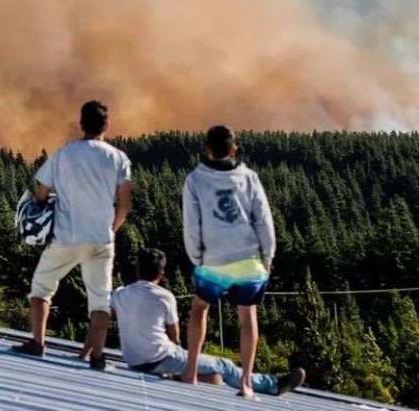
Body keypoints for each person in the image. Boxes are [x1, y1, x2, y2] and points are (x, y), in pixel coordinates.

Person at [11, 100, 132, 370]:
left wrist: (42, 210)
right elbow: (124, 202)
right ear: (107, 126)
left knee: (41, 288)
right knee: (100, 299)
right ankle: (98, 358)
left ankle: (38, 344)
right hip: (101, 239)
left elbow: (41, 193)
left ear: (81, 124)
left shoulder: (64, 154)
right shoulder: (118, 158)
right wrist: (113, 228)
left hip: (66, 236)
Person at [181, 125, 288, 398]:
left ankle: (191, 373)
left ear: (206, 149)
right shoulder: (249, 177)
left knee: (199, 309)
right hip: (249, 261)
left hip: (213, 261)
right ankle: (246, 385)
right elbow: (264, 219)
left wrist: (197, 258)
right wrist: (268, 256)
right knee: (248, 317)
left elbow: (192, 225)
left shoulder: (195, 179)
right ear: (234, 149)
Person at [111, 247, 306, 396]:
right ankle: (273, 385)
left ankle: (177, 375)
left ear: (137, 270)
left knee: (213, 375)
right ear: (161, 274)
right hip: (161, 358)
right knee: (224, 365)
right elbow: (175, 335)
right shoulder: (165, 297)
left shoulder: (119, 294)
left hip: (133, 361)